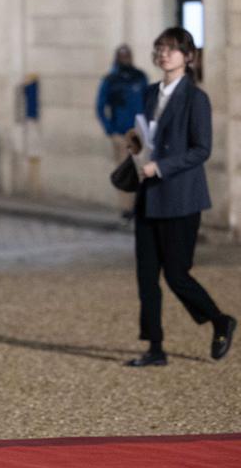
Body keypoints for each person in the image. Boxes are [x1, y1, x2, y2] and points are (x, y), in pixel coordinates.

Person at [125, 27, 236, 367]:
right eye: (159, 48)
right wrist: (136, 148)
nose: (164, 54)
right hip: (148, 197)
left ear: (189, 57)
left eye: (172, 49)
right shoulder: (147, 93)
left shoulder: (196, 98)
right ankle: (155, 347)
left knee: (176, 274)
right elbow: (147, 135)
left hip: (181, 198)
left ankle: (219, 320)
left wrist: (160, 167)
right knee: (146, 277)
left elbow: (202, 149)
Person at [96, 44, 148, 219]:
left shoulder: (139, 78)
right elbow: (100, 106)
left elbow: (148, 102)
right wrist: (110, 129)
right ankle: (126, 208)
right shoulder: (111, 80)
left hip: (139, 132)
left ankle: (137, 206)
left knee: (141, 170)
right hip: (120, 133)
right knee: (124, 171)